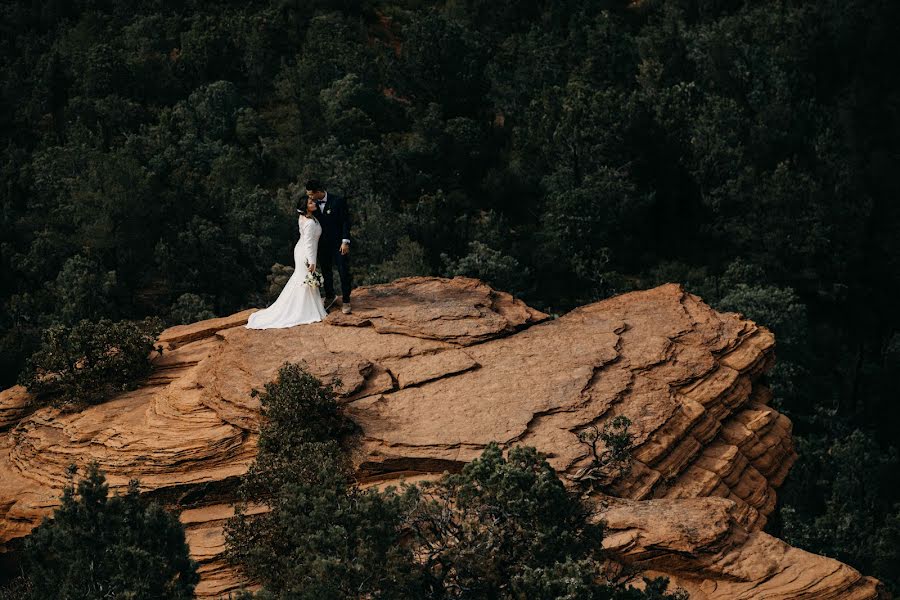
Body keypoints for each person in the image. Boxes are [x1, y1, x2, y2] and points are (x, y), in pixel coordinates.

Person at [245, 195, 327, 329]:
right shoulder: (310, 222)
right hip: (305, 254)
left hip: (304, 251)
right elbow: (308, 244)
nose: (314, 203)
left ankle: (307, 307)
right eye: (311, 202)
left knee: (303, 280)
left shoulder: (307, 218)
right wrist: (312, 261)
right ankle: (304, 311)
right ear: (305, 206)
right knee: (304, 281)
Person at [305, 179, 353, 314]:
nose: (309, 197)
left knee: (343, 271)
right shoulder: (311, 204)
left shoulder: (337, 201)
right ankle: (330, 296)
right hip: (321, 245)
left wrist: (345, 241)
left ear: (318, 192)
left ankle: (346, 301)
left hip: (339, 244)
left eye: (311, 195)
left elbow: (346, 222)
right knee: (326, 272)